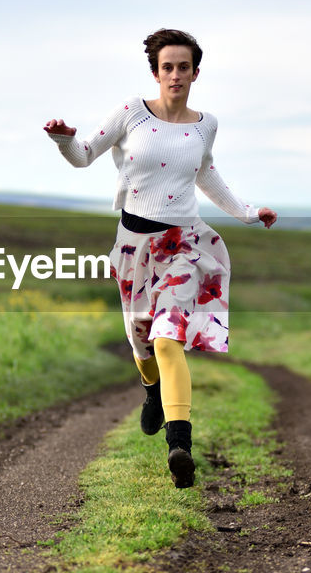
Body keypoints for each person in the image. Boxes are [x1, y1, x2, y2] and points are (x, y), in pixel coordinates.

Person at [42, 28, 277, 488]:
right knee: (142, 341)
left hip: (183, 244)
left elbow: (206, 174)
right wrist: (64, 140)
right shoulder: (132, 113)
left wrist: (247, 212)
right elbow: (84, 155)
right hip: (134, 245)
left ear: (195, 73)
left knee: (170, 338)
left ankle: (180, 446)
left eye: (183, 67)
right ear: (155, 72)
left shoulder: (205, 124)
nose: (175, 75)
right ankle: (151, 389)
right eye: (167, 67)